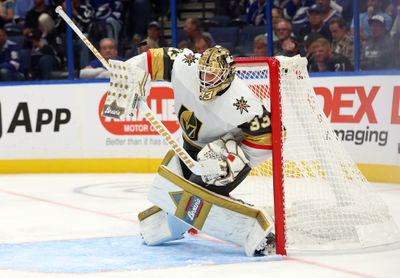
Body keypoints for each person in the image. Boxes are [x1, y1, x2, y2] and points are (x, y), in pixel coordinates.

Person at [123, 45, 276, 256]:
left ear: (227, 77)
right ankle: (172, 225)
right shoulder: (186, 66)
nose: (205, 79)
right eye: (203, 72)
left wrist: (234, 162)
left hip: (220, 157)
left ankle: (262, 236)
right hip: (189, 146)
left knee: (196, 200)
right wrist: (130, 77)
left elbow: (268, 138)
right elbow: (152, 59)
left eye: (212, 76)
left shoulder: (243, 102)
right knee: (174, 193)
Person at [22, 12, 64, 80]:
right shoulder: (36, 32)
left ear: (45, 24)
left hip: (51, 59)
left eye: (40, 24)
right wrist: (28, 38)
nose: (39, 27)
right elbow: (26, 46)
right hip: (35, 57)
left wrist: (40, 45)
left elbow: (55, 51)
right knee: (25, 56)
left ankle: (46, 82)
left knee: (45, 59)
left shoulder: (53, 34)